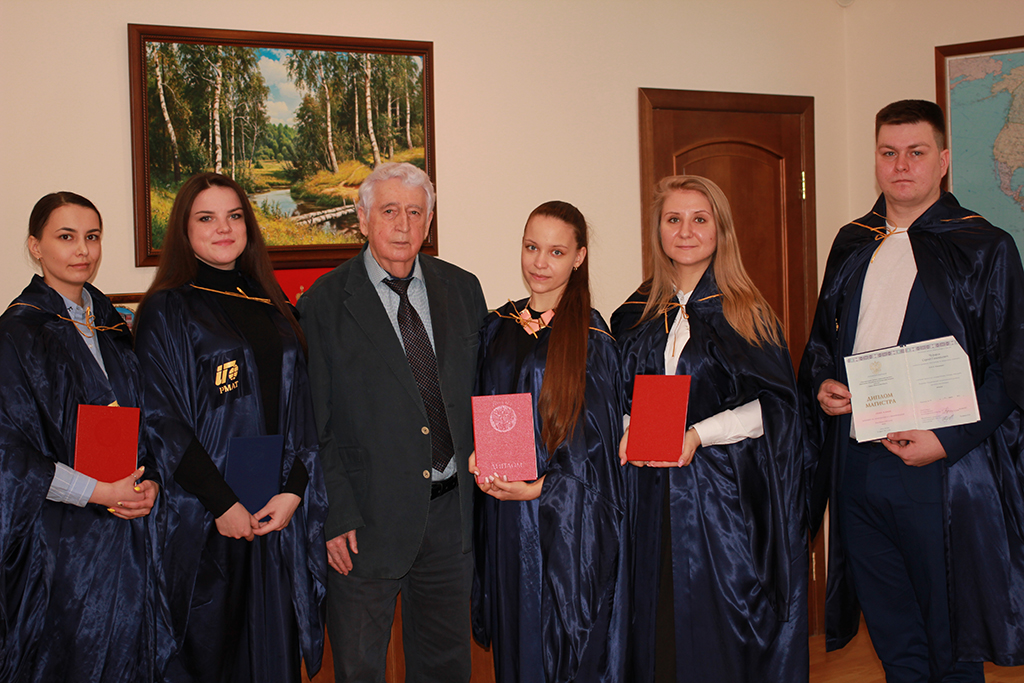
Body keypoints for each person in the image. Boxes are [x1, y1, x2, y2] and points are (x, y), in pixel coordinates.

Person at [799, 99, 1024, 681]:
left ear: (943, 161)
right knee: (895, 645)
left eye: (916, 152)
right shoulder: (852, 242)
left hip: (941, 472)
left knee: (952, 648)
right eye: (888, 152)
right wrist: (823, 384)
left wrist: (947, 441)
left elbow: (1012, 369)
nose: (901, 166)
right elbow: (822, 342)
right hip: (858, 468)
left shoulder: (985, 247)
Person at [612, 175, 808, 682]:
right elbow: (618, 394)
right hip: (647, 493)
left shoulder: (747, 312)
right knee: (654, 622)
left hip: (720, 500)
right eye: (673, 219)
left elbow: (776, 407)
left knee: (716, 627)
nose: (685, 231)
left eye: (699, 219)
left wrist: (699, 435)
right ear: (657, 229)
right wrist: (628, 424)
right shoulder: (633, 315)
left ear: (720, 229)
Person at [133, 172, 328, 683]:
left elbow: (303, 405)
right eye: (207, 218)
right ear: (184, 230)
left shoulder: (270, 301)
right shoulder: (168, 308)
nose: (223, 228)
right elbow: (162, 420)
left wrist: (294, 490)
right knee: (215, 659)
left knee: (273, 654)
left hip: (275, 513)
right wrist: (222, 504)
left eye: (234, 216)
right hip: (206, 520)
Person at [298, 162, 487, 682]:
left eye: (415, 212)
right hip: (364, 522)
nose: (403, 225)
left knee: (446, 668)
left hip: (450, 518)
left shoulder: (463, 289)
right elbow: (316, 423)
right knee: (360, 668)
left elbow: (485, 393)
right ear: (362, 219)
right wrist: (335, 513)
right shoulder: (323, 303)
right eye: (388, 211)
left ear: (429, 221)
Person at [0, 192, 159, 682]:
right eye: (66, 237)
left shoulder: (114, 324)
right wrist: (97, 492)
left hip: (130, 526)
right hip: (61, 540)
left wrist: (150, 482)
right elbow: (9, 452)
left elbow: (148, 418)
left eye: (92, 236)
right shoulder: (17, 334)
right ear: (35, 246)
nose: (83, 250)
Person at [469, 201, 628, 682]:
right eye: (531, 247)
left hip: (561, 520)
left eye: (556, 252)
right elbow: (485, 402)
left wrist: (539, 488)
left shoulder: (592, 338)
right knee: (515, 643)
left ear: (579, 257)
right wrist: (478, 451)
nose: (539, 263)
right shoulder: (498, 327)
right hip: (503, 511)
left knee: (553, 647)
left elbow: (598, 449)